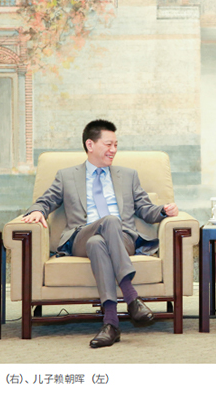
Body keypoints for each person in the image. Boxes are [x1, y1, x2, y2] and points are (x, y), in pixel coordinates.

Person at [22, 119, 179, 348]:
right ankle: (131, 297)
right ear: (90, 145)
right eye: (108, 144)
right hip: (80, 238)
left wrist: (164, 211)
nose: (113, 150)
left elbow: (145, 209)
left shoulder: (128, 175)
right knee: (107, 224)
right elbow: (45, 201)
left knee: (98, 242)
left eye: (116, 145)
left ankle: (111, 324)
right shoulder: (67, 176)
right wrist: (37, 211)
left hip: (122, 239)